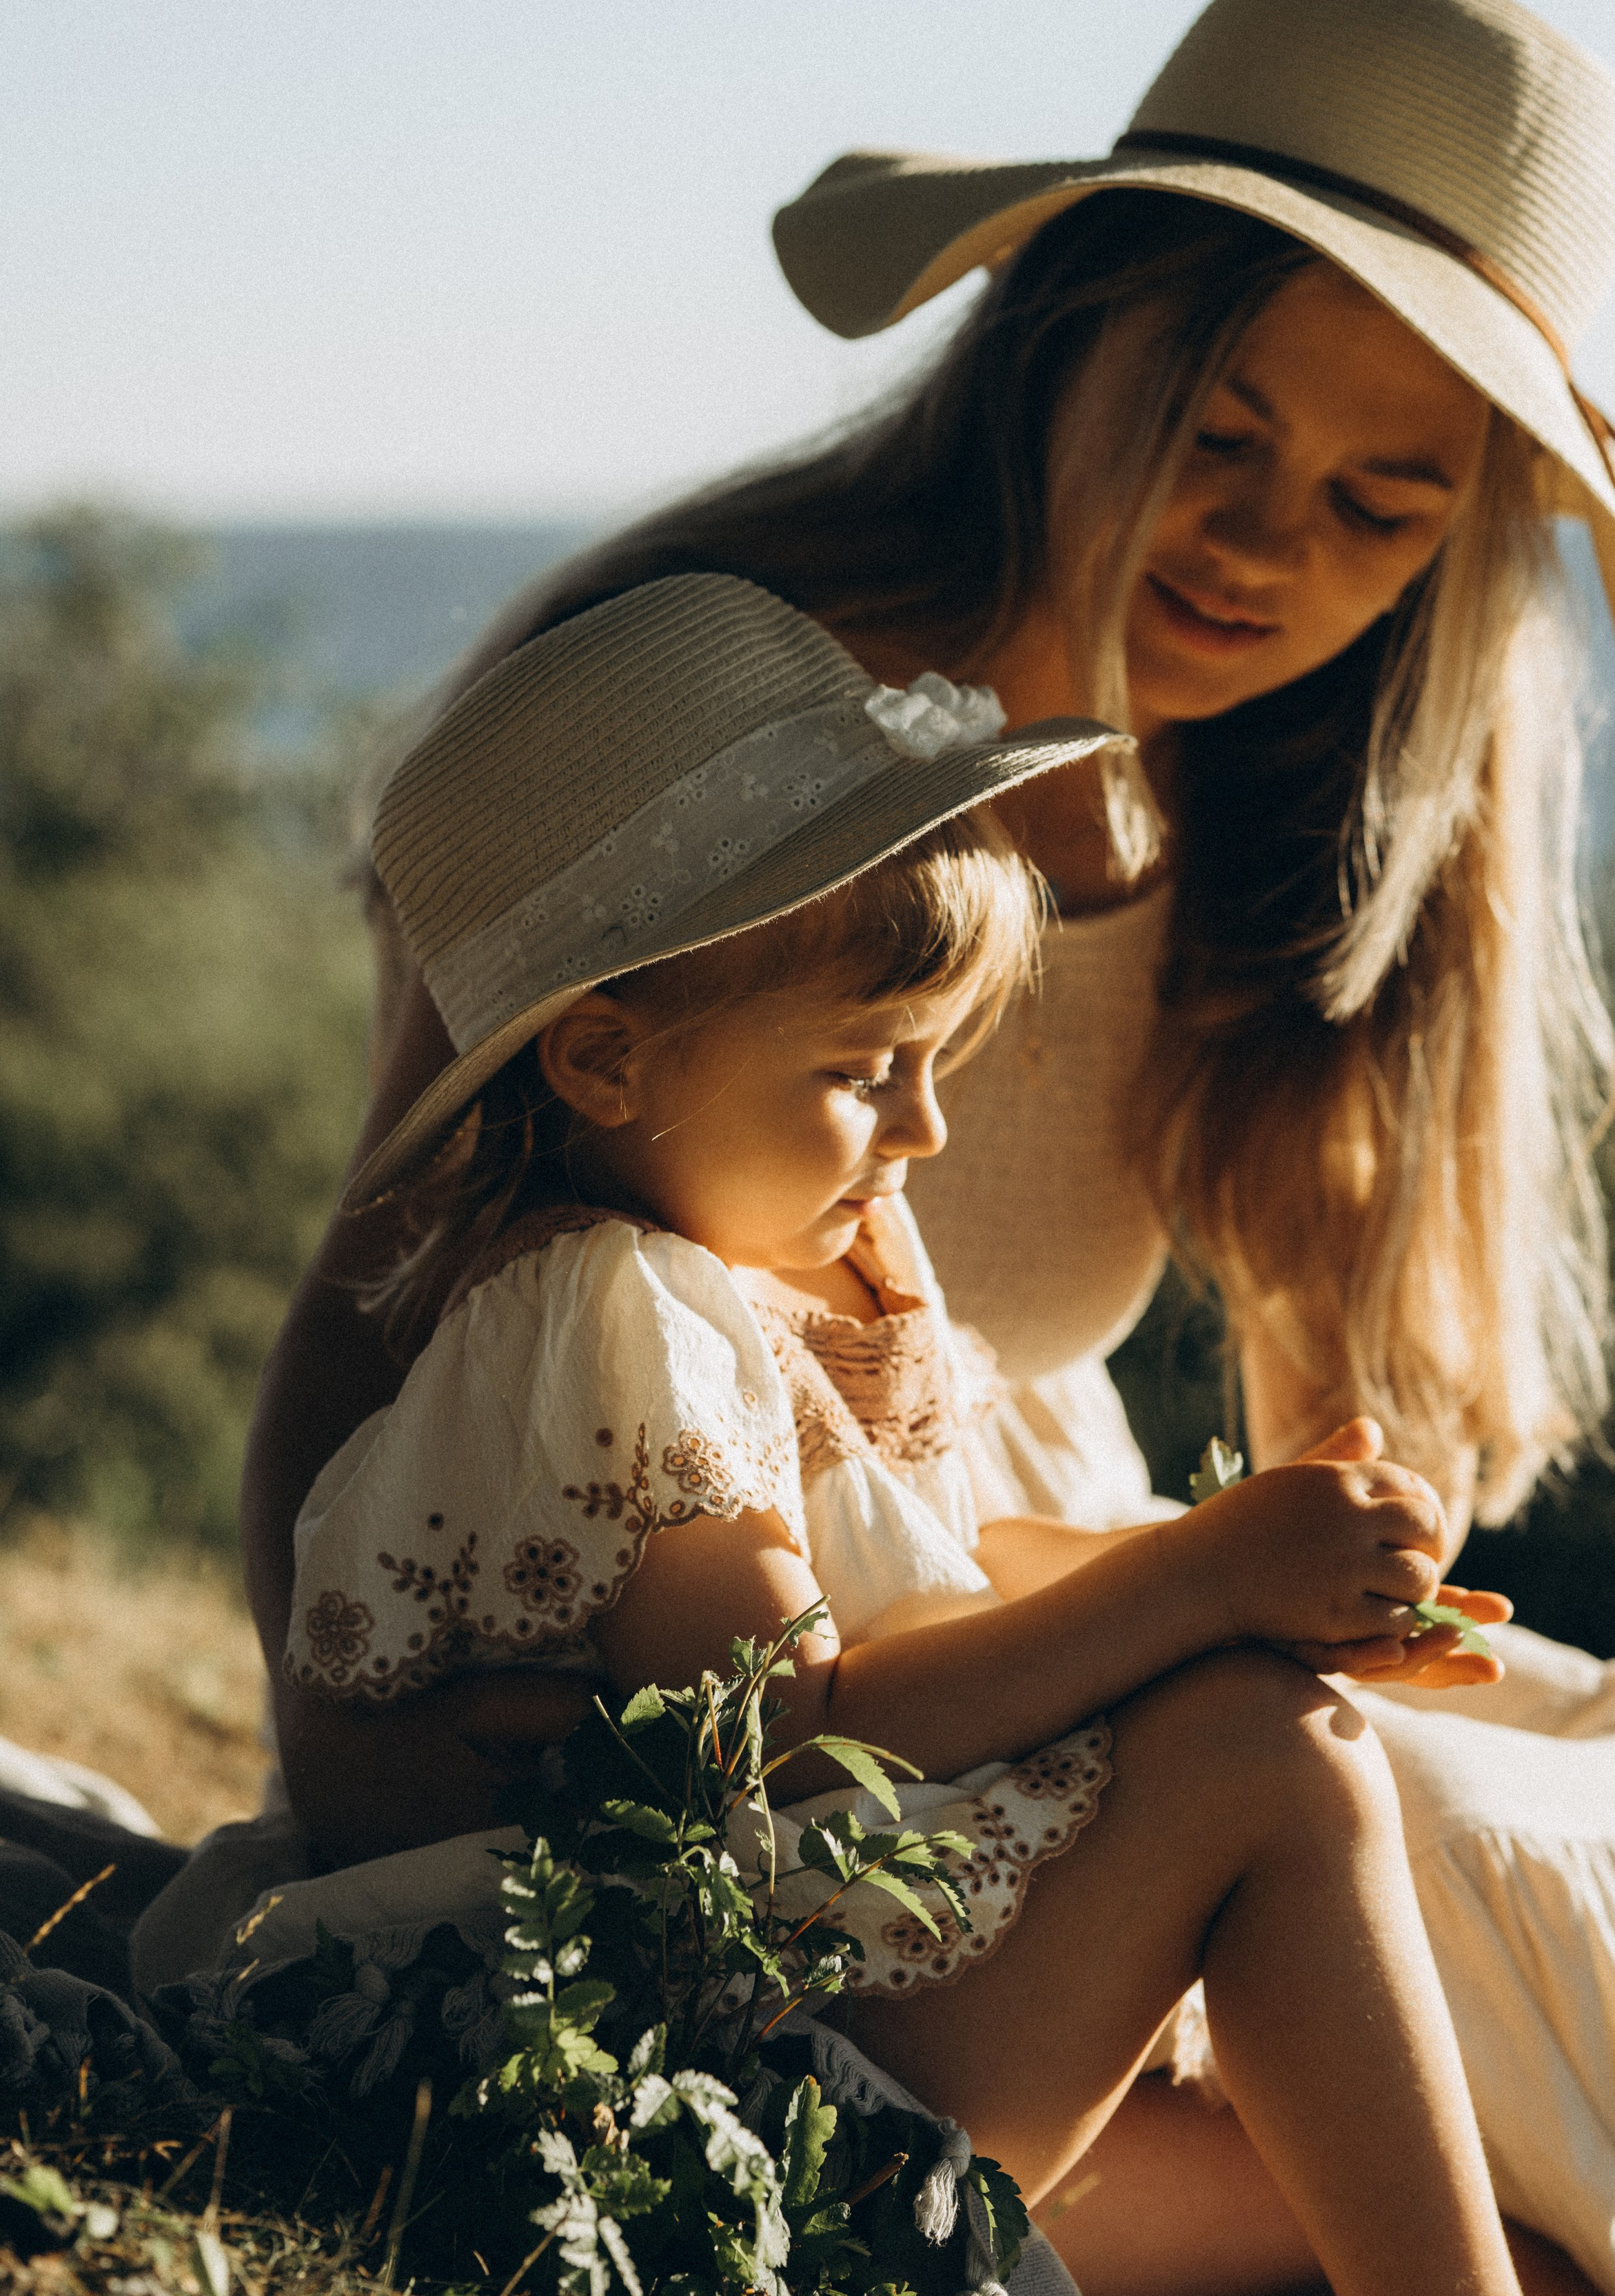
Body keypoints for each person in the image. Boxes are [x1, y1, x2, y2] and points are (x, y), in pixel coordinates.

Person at [232, 0, 1615, 2294]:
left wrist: (1337, 1563)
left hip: (1012, 1607)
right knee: (1411, 1938)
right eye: (1225, 429)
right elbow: (400, 1302)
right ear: (1073, 323)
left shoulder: (1322, 799)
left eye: (1380, 508)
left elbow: (1322, 1460)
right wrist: (342, 1749)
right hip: (833, 1714)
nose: (1269, 551)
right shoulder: (700, 719)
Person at [254, 570, 1528, 2296]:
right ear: (605, 1061)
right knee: (1257, 1754)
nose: (922, 1128)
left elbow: (947, 1565)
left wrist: (1247, 1567)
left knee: (1268, 1718)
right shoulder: (612, 1316)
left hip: (813, 1985)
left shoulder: (811, 1253)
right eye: (867, 1066)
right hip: (670, 2063)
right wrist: (1196, 1592)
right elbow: (787, 1732)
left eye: (943, 1059)